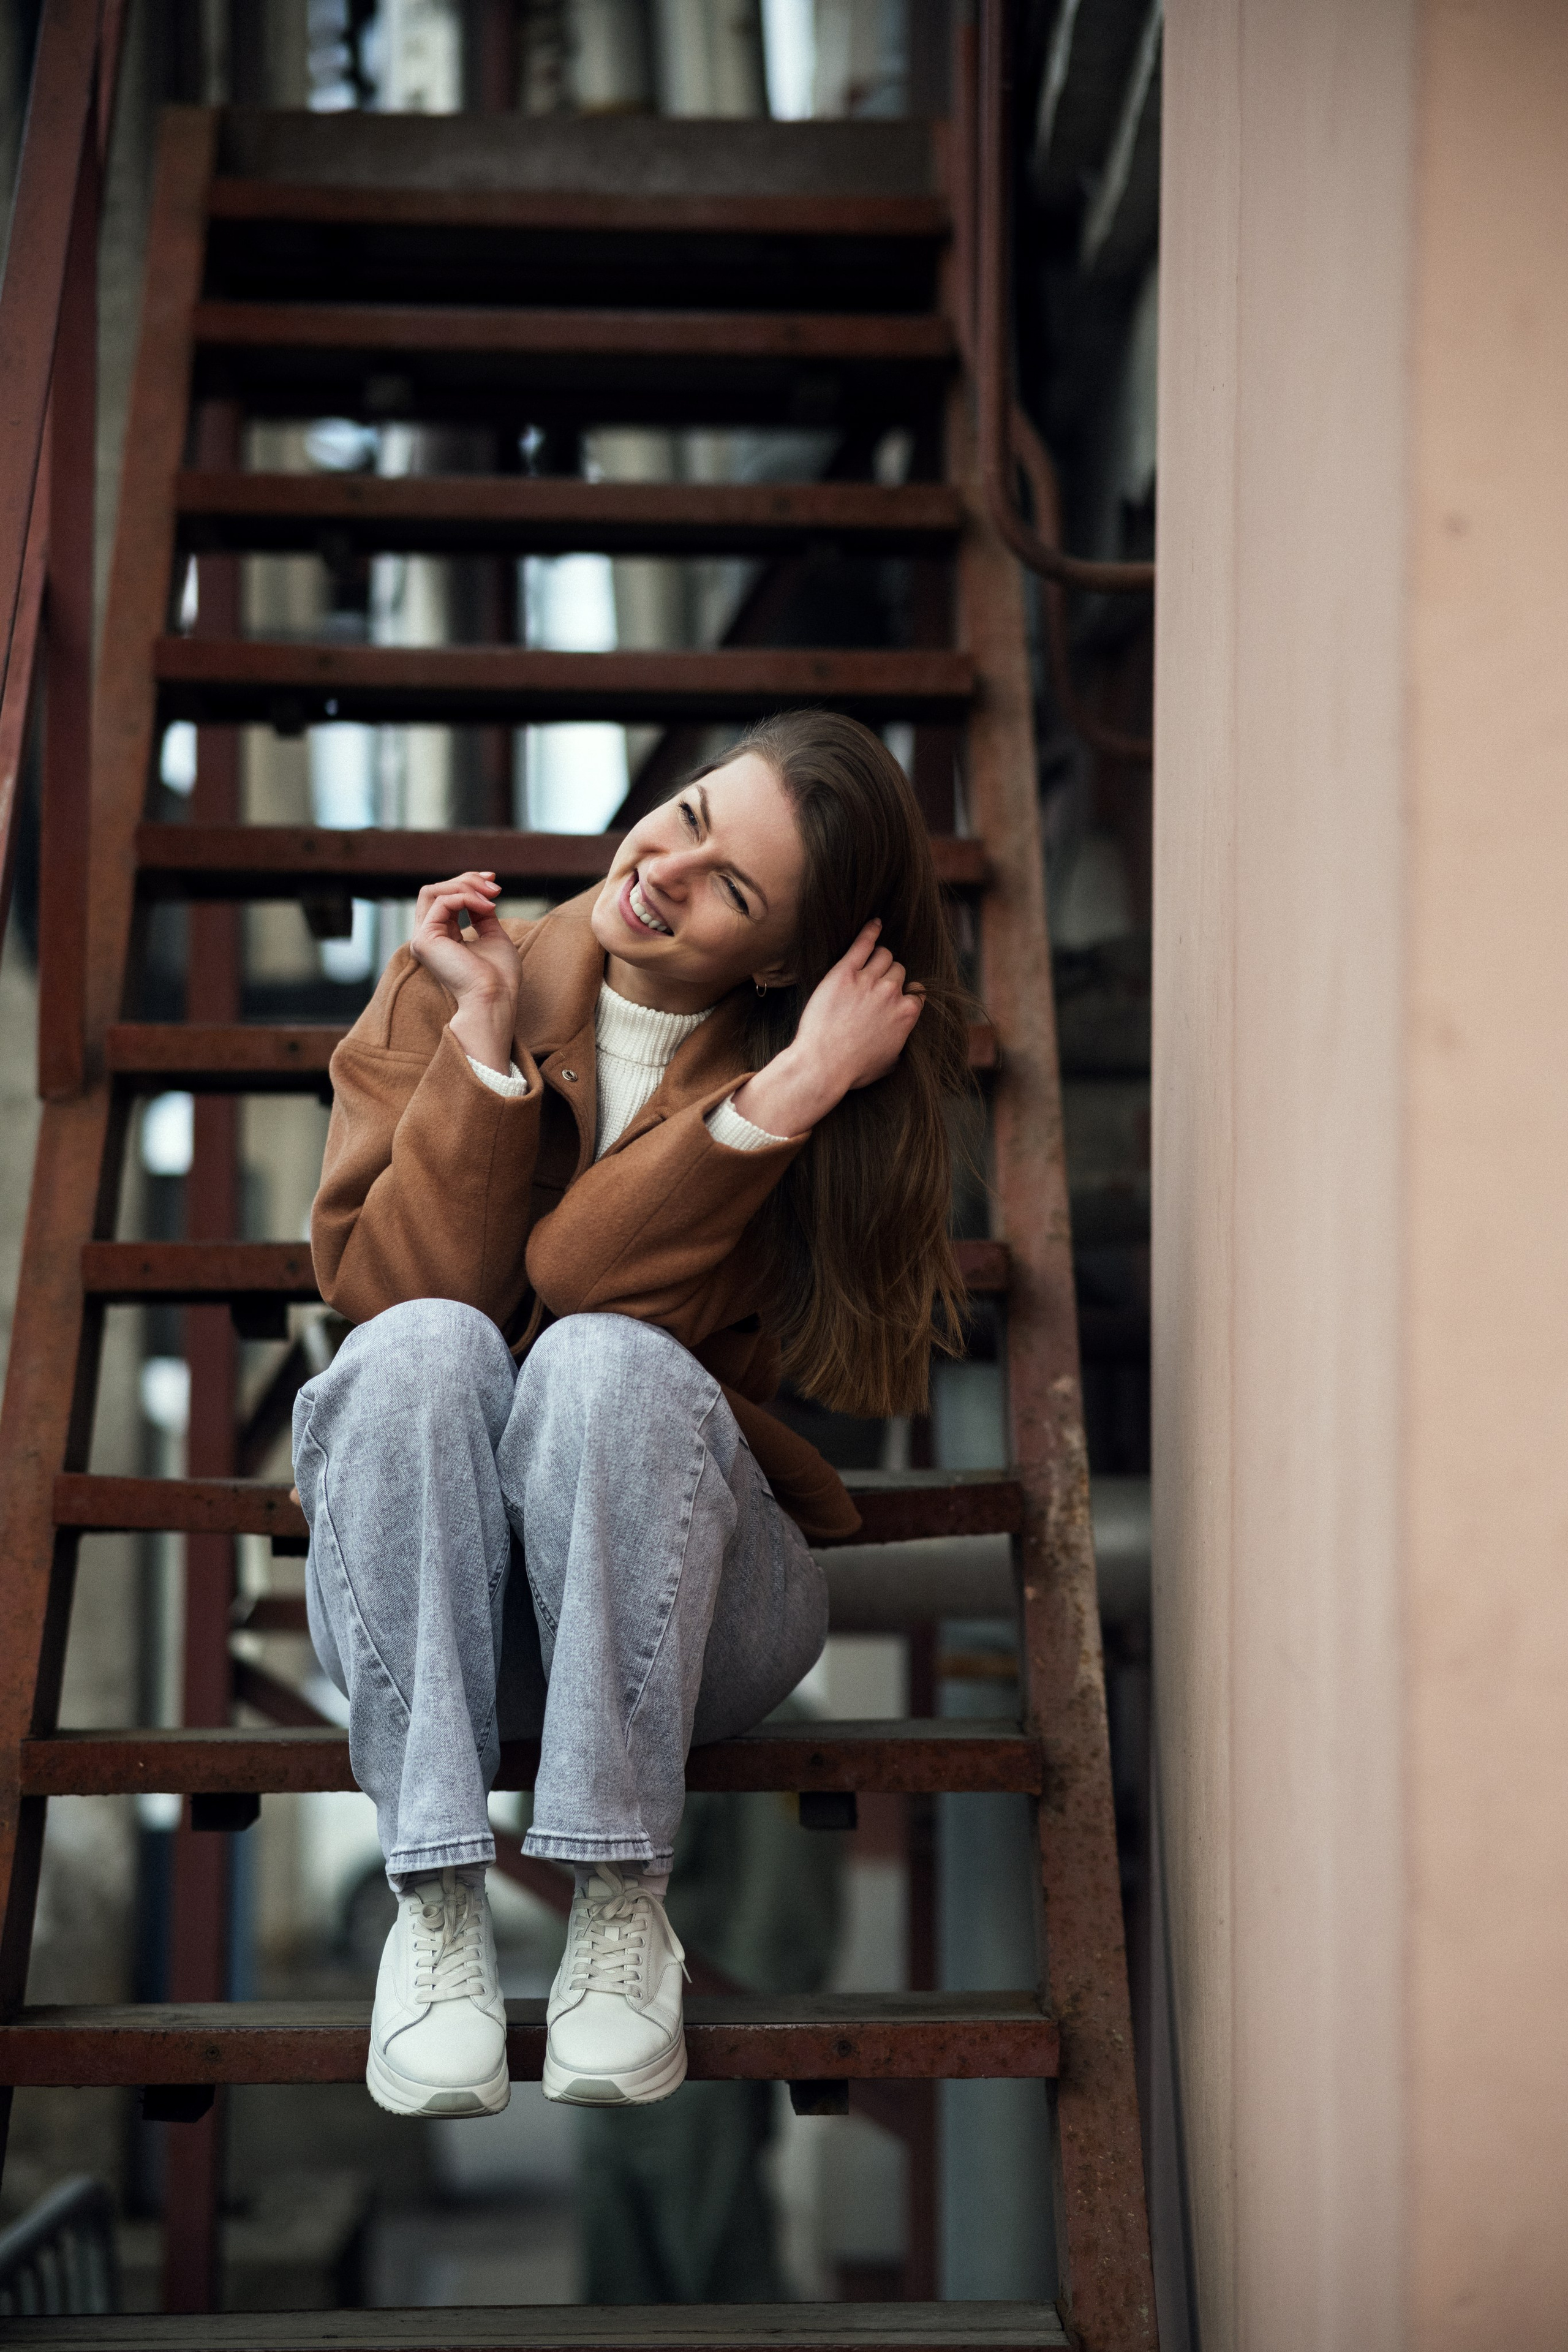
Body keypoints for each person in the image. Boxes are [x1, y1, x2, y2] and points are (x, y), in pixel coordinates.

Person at [292, 709, 970, 2120]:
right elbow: (393, 1288)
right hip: (442, 1614)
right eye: (689, 814)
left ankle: (620, 1900)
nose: (664, 867)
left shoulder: (810, 1076)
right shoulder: (462, 978)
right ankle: (438, 1906)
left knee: (598, 1362)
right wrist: (481, 1047)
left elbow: (586, 1279)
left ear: (779, 962)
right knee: (416, 1348)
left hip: (687, 1603)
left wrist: (788, 1090)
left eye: (728, 887)